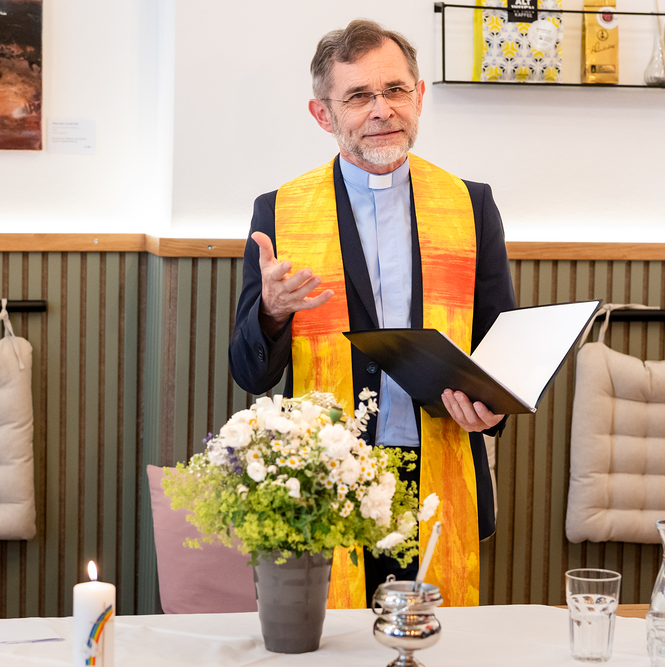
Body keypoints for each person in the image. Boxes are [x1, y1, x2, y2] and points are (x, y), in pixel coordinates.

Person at [229, 19, 516, 608]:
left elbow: (498, 347)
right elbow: (250, 372)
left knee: (435, 640)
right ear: (323, 114)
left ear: (420, 95)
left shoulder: (471, 205)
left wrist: (492, 408)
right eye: (359, 95)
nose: (382, 109)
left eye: (395, 90)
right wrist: (271, 314)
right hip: (326, 477)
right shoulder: (279, 212)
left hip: (438, 471)